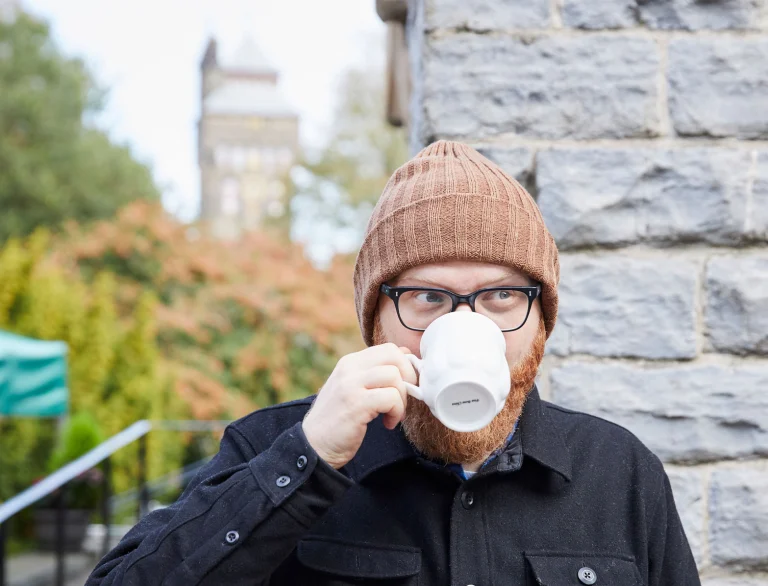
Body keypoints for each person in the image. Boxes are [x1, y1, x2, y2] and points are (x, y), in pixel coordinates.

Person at [87, 141, 700, 585]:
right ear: (375, 320)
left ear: (542, 318)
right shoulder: (274, 447)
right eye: (427, 297)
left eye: (502, 296)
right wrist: (306, 459)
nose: (467, 324)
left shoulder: (620, 473)